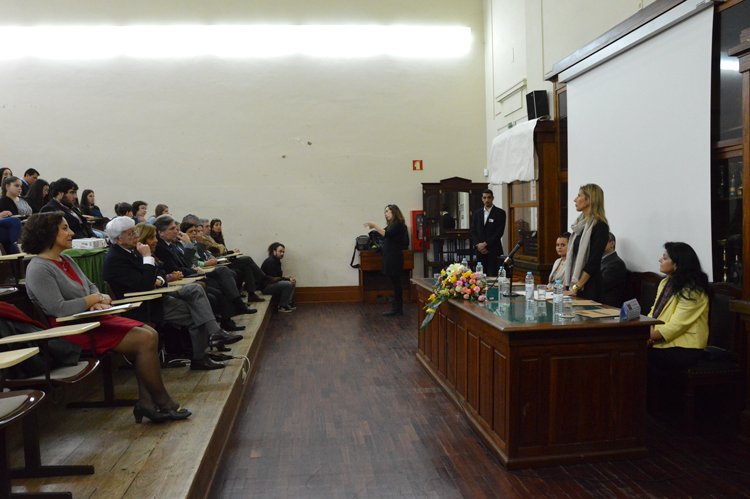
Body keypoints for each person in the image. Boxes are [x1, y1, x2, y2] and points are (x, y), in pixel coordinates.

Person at [20, 212, 190, 423]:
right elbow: (59, 308)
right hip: (71, 329)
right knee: (145, 338)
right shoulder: (38, 268)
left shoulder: (67, 259)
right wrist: (92, 299)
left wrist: (96, 299)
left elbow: (91, 286)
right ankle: (162, 402)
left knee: (150, 332)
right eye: (64, 228)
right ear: (47, 233)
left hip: (90, 319)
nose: (71, 232)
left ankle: (147, 403)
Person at [103, 217, 235, 370]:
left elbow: (160, 271)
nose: (136, 236)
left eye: (135, 232)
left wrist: (159, 279)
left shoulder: (132, 251)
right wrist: (147, 258)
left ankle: (213, 336)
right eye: (131, 233)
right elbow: (144, 285)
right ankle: (201, 355)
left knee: (196, 289)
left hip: (157, 295)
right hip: (143, 305)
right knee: (196, 313)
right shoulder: (116, 259)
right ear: (119, 238)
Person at [648, 242, 709, 374]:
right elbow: (654, 312)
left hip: (686, 347)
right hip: (661, 340)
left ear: (677, 264)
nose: (660, 260)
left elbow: (678, 325)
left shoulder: (693, 289)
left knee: (641, 356)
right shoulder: (665, 282)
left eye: (665, 258)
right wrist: (647, 329)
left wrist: (650, 336)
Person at [564, 184, 609, 301]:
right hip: (575, 286)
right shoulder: (580, 226)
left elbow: (593, 261)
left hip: (589, 288)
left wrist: (576, 287)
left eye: (579, 196)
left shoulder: (600, 226)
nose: (575, 199)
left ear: (589, 199)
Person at [365, 204, 410, 316]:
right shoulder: (392, 224)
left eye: (387, 211)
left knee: (396, 282)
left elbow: (387, 234)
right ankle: (396, 308)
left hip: (394, 257)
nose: (385, 214)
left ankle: (398, 308)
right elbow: (384, 232)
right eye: (385, 212)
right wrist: (374, 229)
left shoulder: (398, 224)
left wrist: (375, 225)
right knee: (395, 282)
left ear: (394, 212)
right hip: (390, 256)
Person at [470, 189, 506, 277]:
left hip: (494, 250)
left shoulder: (500, 213)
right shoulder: (477, 213)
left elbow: (499, 232)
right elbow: (473, 231)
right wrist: (478, 245)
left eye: (489, 197)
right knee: (480, 277)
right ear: (482, 199)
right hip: (480, 251)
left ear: (492, 198)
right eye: (484, 198)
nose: (487, 200)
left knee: (493, 276)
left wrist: (485, 244)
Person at [261, 242, 296, 313]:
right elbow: (273, 279)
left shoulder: (276, 260)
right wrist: (286, 279)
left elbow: (277, 277)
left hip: (271, 284)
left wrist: (287, 278)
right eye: (280, 251)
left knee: (292, 281)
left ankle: (287, 303)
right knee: (288, 284)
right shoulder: (270, 261)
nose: (282, 253)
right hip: (266, 287)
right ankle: (282, 306)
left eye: (283, 252)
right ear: (274, 251)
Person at [600, 232, 629, 308]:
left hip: (607, 307)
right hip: (597, 302)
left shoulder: (616, 264)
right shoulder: (600, 260)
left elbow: (600, 286)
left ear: (612, 244)